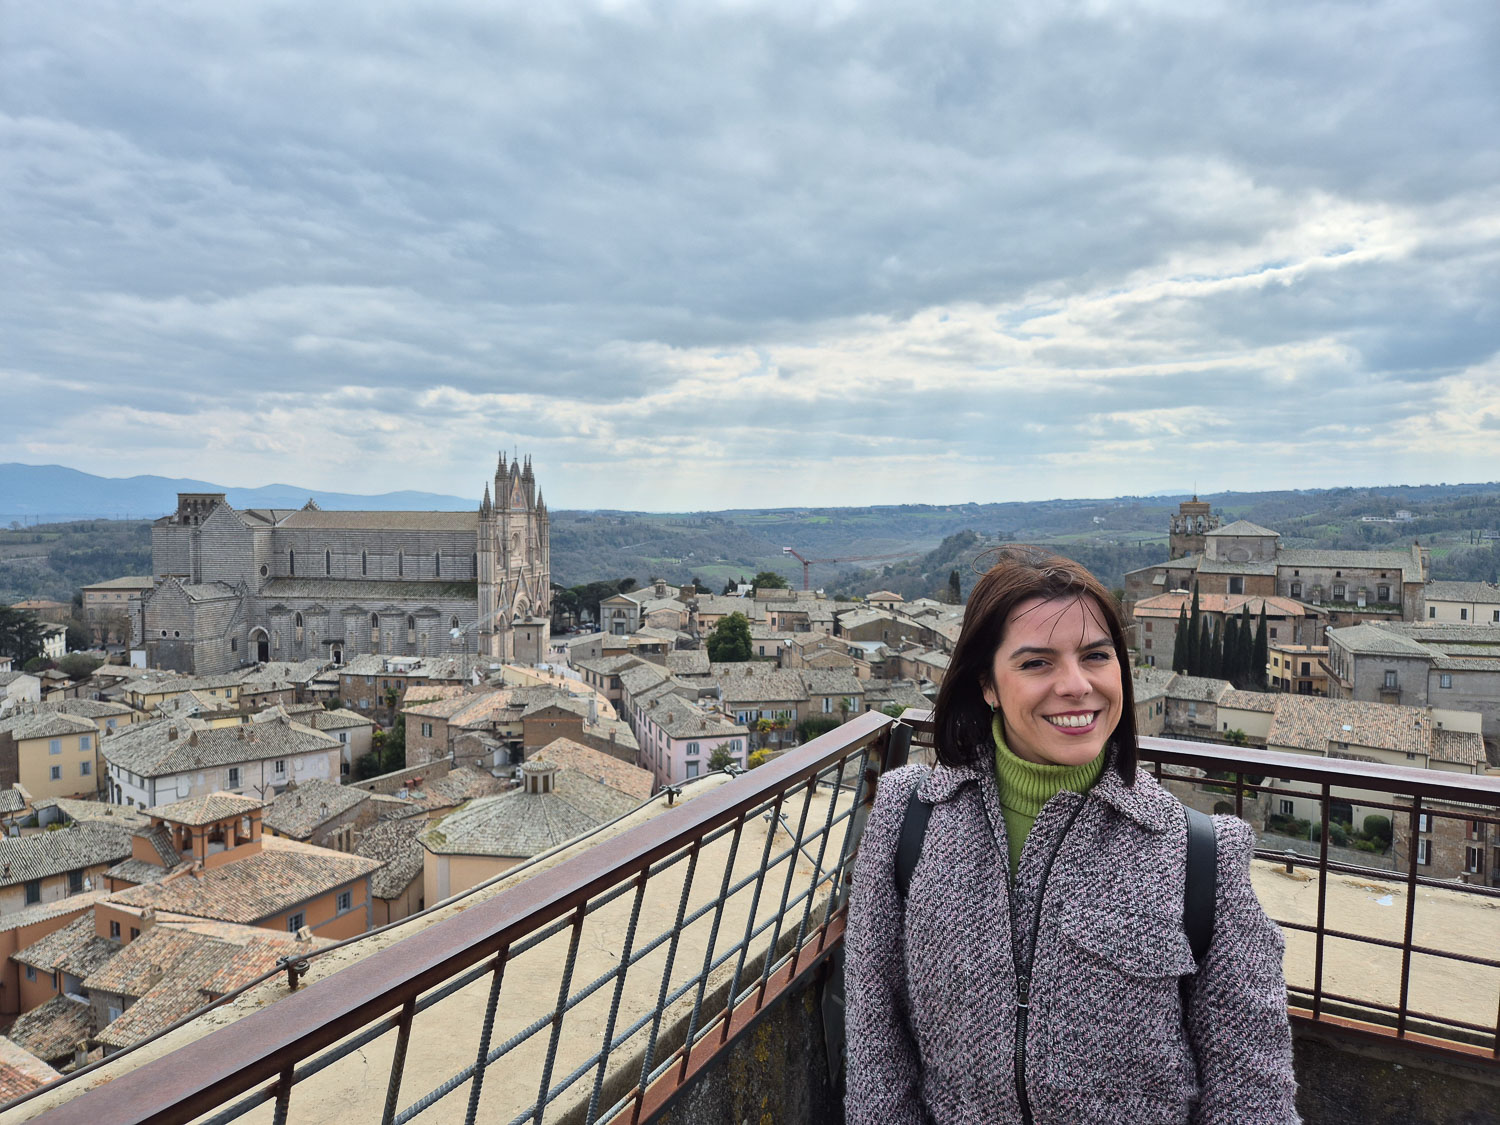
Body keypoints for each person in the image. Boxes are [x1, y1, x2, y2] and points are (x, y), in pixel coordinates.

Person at [845, 547, 1298, 1124]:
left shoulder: (1200, 853)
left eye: (1096, 656)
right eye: (1037, 663)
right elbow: (875, 1039)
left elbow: (1251, 1088)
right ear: (987, 684)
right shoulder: (909, 816)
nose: (1076, 685)